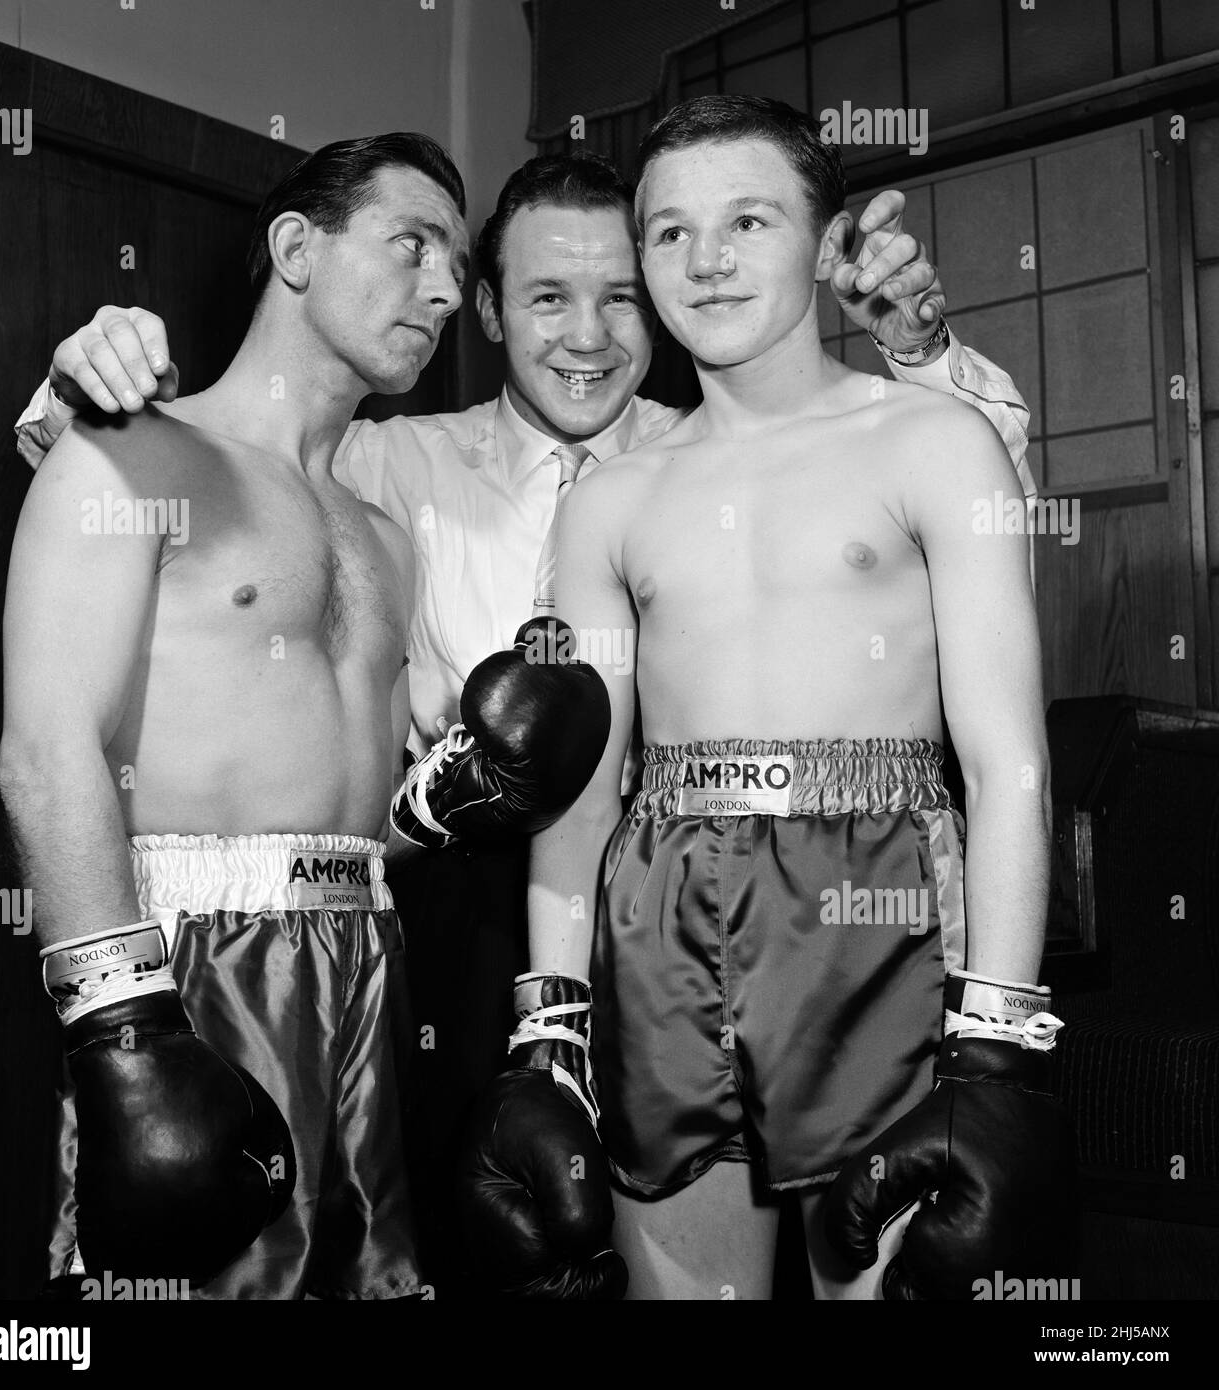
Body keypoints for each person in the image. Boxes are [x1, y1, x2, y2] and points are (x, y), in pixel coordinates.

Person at [14, 150, 1033, 1288]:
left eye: (620, 297)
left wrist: (916, 352)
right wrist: (73, 386)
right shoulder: (388, 461)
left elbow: (974, 503)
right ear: (493, 312)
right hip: (447, 924)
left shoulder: (714, 448)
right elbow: (169, 499)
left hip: (696, 898)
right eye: (546, 295)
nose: (586, 335)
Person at [460, 96, 1077, 1300]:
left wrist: (997, 1050)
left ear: (824, 238)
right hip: (661, 912)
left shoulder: (934, 441)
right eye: (668, 230)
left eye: (747, 220)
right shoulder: (610, 499)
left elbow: (1010, 764)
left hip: (883, 903)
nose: (706, 259)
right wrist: (549, 1035)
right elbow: (579, 793)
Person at [0, 133, 608, 1300]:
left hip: (364, 962)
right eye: (411, 243)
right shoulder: (129, 450)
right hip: (187, 966)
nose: (443, 291)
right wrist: (121, 1030)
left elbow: (355, 810)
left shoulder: (379, 535)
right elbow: (43, 753)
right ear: (294, 248)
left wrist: (446, 801)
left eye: (453, 262)